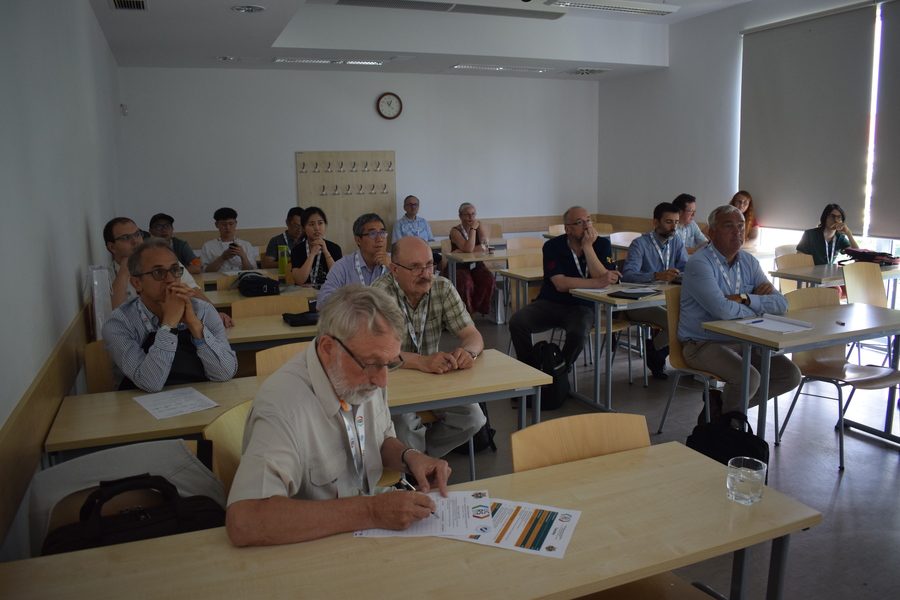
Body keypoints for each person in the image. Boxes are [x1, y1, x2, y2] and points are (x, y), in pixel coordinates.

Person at [225, 284, 451, 546]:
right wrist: (371, 511)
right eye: (372, 363)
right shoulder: (283, 407)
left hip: (362, 528)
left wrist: (409, 457)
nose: (382, 381)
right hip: (309, 546)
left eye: (390, 363)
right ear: (327, 348)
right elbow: (246, 521)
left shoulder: (366, 374)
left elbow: (378, 440)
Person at [679, 205, 801, 423]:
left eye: (741, 226)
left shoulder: (748, 261)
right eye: (728, 226)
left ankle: (721, 411)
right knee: (749, 379)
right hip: (702, 343)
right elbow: (723, 310)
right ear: (712, 232)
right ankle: (729, 425)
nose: (737, 232)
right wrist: (757, 304)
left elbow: (781, 304)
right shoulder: (700, 263)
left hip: (744, 339)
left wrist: (745, 298)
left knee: (790, 375)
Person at [372, 237, 486, 458]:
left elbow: (473, 335)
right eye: (415, 267)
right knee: (404, 429)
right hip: (391, 379)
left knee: (473, 418)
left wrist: (468, 352)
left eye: (429, 265)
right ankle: (415, 460)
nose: (426, 274)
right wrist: (421, 361)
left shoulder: (442, 287)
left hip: (432, 377)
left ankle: (418, 459)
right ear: (394, 270)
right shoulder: (380, 294)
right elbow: (377, 353)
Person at [103, 238, 238, 392]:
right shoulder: (119, 323)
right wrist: (169, 323)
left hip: (199, 396)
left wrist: (194, 324)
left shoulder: (203, 310)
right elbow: (150, 383)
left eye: (174, 270)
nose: (171, 279)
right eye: (158, 273)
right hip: (140, 402)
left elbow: (225, 373)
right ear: (137, 283)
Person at [509, 206, 620, 370]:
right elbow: (560, 284)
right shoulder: (553, 246)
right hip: (550, 302)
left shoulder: (602, 244)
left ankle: (558, 370)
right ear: (568, 229)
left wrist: (588, 247)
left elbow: (604, 279)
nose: (587, 226)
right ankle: (532, 370)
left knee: (579, 334)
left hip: (583, 306)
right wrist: (598, 282)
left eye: (589, 220)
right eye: (580, 222)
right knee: (517, 322)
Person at [621, 202, 688, 380]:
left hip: (666, 298)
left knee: (692, 317)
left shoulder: (676, 242)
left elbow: (686, 268)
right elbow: (628, 276)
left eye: (676, 222)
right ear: (655, 222)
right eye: (669, 222)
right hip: (639, 301)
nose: (674, 227)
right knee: (675, 321)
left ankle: (656, 351)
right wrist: (656, 275)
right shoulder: (640, 244)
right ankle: (657, 353)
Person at [104, 217, 203, 309]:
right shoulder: (105, 277)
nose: (135, 241)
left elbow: (202, 303)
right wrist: (123, 273)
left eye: (137, 234)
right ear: (112, 247)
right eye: (126, 238)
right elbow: (112, 315)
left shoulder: (169, 264)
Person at [316, 213, 390, 307]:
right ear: (358, 240)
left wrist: (392, 267)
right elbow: (322, 301)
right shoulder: (343, 266)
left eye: (383, 233)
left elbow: (407, 294)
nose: (380, 239)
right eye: (372, 234)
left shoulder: (396, 261)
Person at [448, 202, 495, 315]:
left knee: (488, 278)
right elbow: (470, 248)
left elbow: (485, 246)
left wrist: (464, 250)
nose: (471, 217)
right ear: (460, 216)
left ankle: (476, 309)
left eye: (473, 214)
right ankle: (466, 313)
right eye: (467, 214)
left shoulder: (479, 225)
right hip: (459, 267)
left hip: (476, 265)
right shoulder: (455, 231)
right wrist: (473, 229)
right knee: (466, 282)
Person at [290, 207, 342, 287]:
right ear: (303, 228)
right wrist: (312, 254)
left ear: (325, 225)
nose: (317, 228)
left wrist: (325, 251)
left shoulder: (334, 248)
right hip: (304, 293)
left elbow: (339, 277)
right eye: (311, 224)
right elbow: (300, 280)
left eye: (320, 223)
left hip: (329, 292)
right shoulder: (297, 251)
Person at [199, 207, 256, 272]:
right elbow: (204, 272)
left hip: (242, 277)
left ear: (236, 223)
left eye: (231, 224)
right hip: (218, 278)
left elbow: (253, 271)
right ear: (216, 225)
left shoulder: (246, 245)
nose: (228, 228)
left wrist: (243, 256)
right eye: (224, 224)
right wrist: (222, 258)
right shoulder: (208, 246)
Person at [392, 195, 441, 267]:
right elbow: (397, 245)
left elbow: (431, 240)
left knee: (444, 262)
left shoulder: (424, 222)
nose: (413, 207)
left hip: (426, 252)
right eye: (410, 204)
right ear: (404, 207)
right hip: (409, 254)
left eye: (416, 204)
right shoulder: (399, 224)